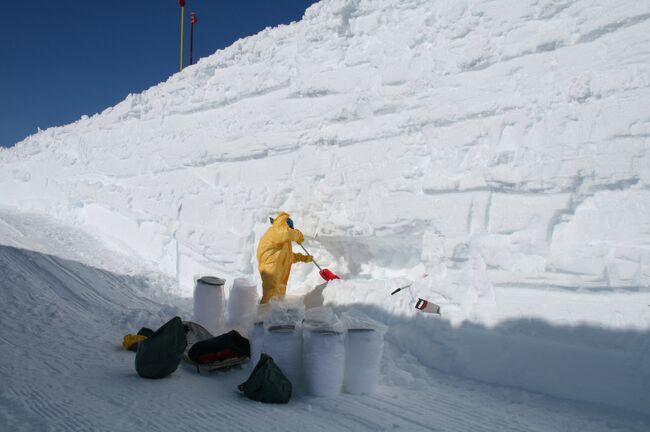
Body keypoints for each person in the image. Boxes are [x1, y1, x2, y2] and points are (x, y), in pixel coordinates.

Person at [257, 211, 313, 304]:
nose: (292, 230)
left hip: (279, 272)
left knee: (278, 299)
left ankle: (274, 316)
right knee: (270, 295)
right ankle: (263, 315)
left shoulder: (283, 241)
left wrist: (303, 258)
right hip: (270, 268)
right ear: (286, 225)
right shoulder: (275, 231)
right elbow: (288, 234)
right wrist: (298, 235)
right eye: (291, 228)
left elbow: (288, 257)